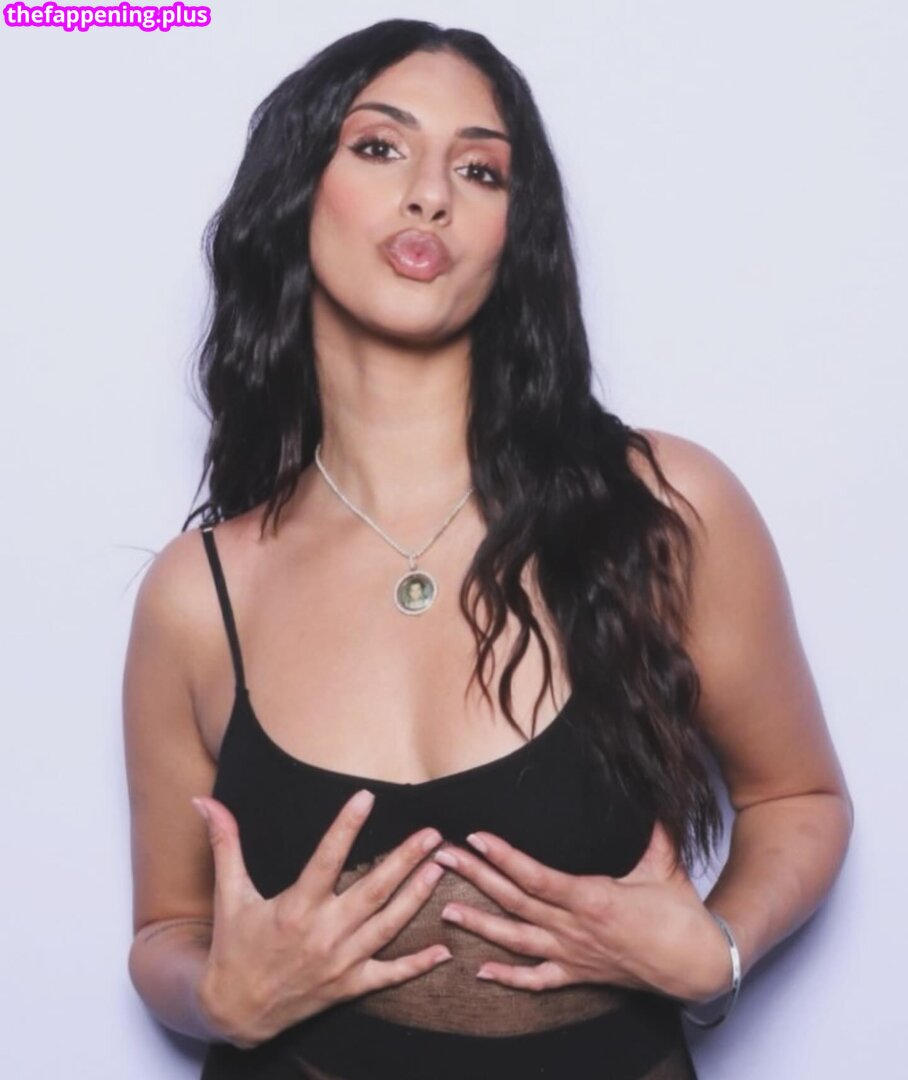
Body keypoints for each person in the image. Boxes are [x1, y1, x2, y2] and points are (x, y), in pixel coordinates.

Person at [122, 18, 854, 1080]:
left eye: (479, 170)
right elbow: (165, 932)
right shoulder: (200, 594)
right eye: (379, 147)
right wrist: (213, 996)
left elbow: (799, 798)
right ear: (296, 192)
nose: (430, 194)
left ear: (517, 233)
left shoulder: (662, 508)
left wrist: (720, 952)